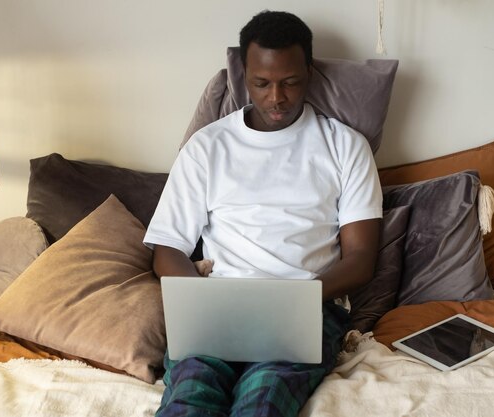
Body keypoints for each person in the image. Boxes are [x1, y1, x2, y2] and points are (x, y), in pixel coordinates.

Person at [144, 10, 382, 417]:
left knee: (264, 397)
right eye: (262, 83)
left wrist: (295, 300)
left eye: (290, 82)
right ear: (243, 74)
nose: (276, 97)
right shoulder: (207, 148)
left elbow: (361, 258)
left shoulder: (345, 146)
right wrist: (201, 304)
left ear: (308, 72)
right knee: (190, 399)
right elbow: (166, 250)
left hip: (307, 308)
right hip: (218, 309)